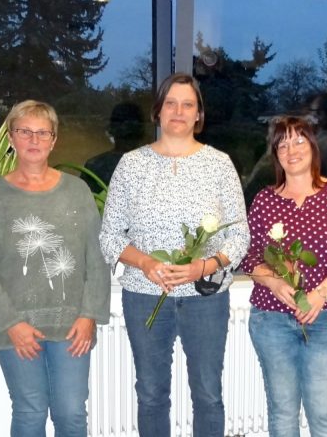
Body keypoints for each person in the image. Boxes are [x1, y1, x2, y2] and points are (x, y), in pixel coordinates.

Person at [100, 73, 250, 437]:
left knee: (208, 394)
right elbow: (108, 236)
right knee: (151, 394)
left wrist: (204, 266)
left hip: (205, 299)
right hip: (145, 295)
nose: (178, 111)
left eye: (187, 104)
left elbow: (239, 234)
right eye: (171, 103)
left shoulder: (219, 164)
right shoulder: (132, 165)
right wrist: (147, 263)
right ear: (158, 112)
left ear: (199, 114)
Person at [0, 100, 111, 436]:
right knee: (30, 413)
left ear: (53, 140)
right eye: (25, 131)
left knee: (72, 414)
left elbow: (97, 256)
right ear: (12, 138)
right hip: (17, 330)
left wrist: (90, 315)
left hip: (73, 327)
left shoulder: (77, 192)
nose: (34, 139)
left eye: (42, 132)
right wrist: (10, 323)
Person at [241, 116, 327, 437]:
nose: (290, 150)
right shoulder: (265, 200)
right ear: (274, 154)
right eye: (282, 144)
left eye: (298, 141)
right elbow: (248, 256)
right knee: (282, 413)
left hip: (325, 317)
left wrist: (319, 294)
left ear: (312, 145)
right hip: (271, 320)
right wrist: (274, 281)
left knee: (324, 413)